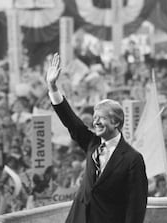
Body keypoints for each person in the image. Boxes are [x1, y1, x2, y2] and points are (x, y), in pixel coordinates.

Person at [46, 53, 148, 223]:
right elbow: (72, 122)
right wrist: (52, 87)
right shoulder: (92, 143)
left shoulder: (132, 159)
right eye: (94, 117)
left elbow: (136, 205)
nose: (95, 121)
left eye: (101, 118)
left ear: (115, 122)